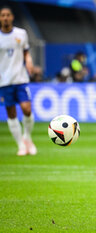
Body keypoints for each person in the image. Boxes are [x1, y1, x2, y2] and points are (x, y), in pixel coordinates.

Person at [0, 6, 37, 156]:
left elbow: (26, 52)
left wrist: (29, 61)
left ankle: (27, 137)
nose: (5, 18)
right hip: (3, 81)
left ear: (12, 17)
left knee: (27, 109)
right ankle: (21, 145)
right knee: (11, 113)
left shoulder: (21, 34)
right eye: (3, 15)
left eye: (8, 15)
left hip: (21, 78)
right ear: (0, 18)